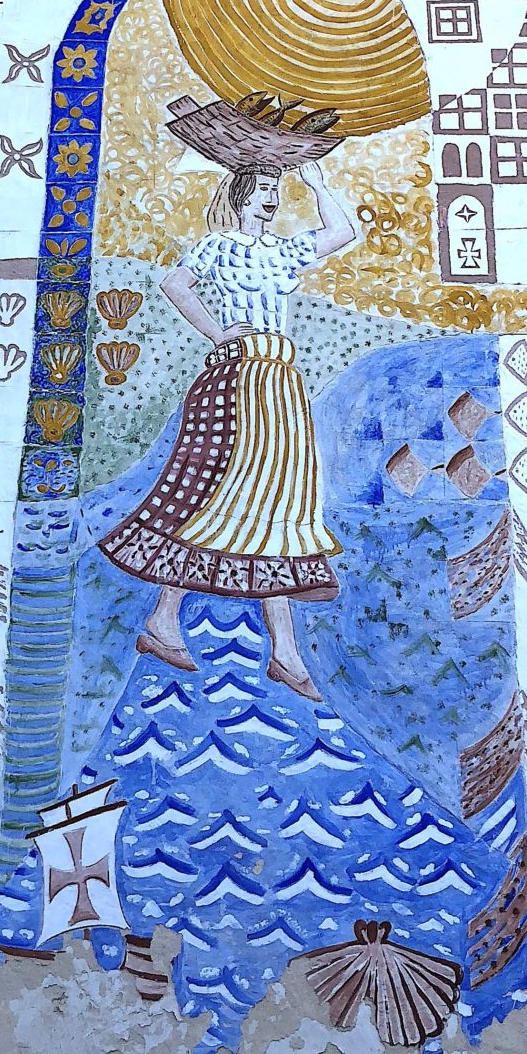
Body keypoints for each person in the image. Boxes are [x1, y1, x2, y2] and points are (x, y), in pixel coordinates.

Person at [99, 156, 356, 702]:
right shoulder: (221, 246)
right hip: (239, 375)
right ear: (240, 197)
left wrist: (314, 182)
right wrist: (219, 333)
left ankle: (275, 649)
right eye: (262, 189)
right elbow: (175, 282)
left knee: (279, 505)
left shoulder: (282, 250)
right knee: (222, 495)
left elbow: (343, 231)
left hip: (279, 379)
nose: (271, 198)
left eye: (275, 189)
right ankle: (178, 623)